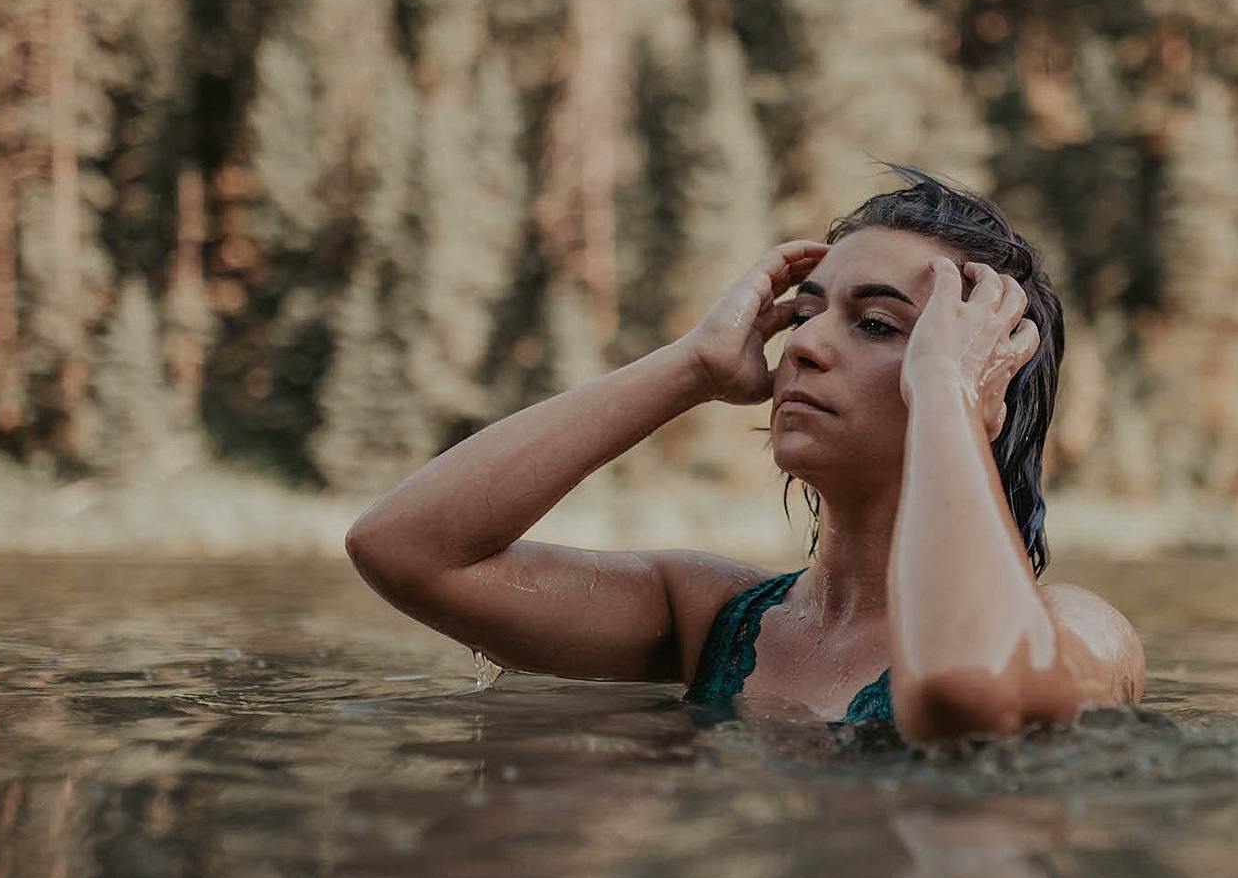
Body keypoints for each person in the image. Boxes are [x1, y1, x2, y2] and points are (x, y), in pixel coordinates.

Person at [345, 167, 1145, 741]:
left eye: (877, 324)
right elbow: (406, 550)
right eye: (805, 313)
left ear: (987, 377)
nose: (805, 346)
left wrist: (946, 389)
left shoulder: (1082, 633)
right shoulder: (712, 618)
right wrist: (691, 366)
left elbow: (965, 690)